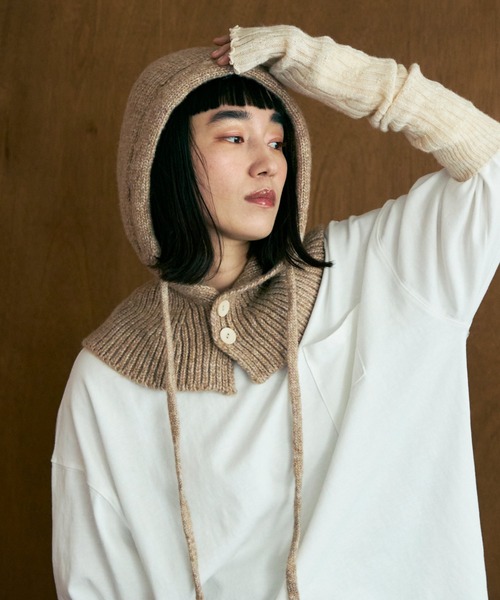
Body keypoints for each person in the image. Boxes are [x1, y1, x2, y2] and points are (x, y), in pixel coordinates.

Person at [51, 25, 500, 600]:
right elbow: (94, 583)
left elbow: (491, 172)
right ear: (161, 158)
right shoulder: (106, 377)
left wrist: (321, 64)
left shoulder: (372, 269)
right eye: (235, 137)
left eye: (278, 141)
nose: (268, 164)